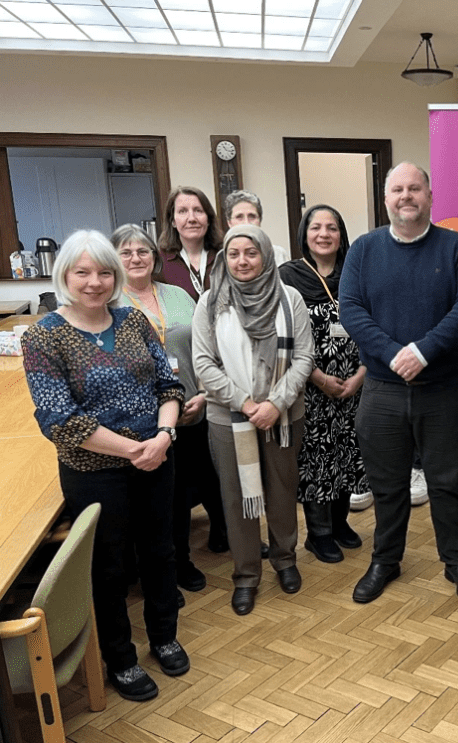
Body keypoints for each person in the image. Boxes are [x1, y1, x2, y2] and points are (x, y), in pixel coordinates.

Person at [22, 230, 188, 702]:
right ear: (65, 275)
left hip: (157, 454)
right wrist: (133, 450)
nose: (94, 282)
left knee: (160, 551)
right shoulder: (43, 336)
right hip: (95, 471)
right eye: (83, 272)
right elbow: (59, 420)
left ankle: (164, 636)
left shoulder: (132, 320)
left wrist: (163, 436)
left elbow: (168, 385)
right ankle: (121, 657)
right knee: (108, 565)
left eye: (103, 272)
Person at [339, 162, 458, 605]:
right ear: (386, 199)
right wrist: (391, 352)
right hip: (382, 391)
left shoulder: (456, 247)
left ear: (429, 195)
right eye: (398, 189)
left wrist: (422, 351)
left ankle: (456, 560)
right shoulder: (364, 250)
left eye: (415, 188)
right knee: (387, 483)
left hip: (440, 389)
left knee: (446, 482)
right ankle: (386, 559)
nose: (407, 196)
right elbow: (351, 308)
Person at [192, 225, 314, 616]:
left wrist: (275, 403)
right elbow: (203, 365)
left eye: (251, 253)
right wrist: (247, 404)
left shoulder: (289, 298)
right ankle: (246, 576)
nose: (242, 261)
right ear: (224, 259)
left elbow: (304, 359)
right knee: (236, 500)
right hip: (229, 419)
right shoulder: (210, 303)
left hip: (283, 415)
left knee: (281, 491)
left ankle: (285, 560)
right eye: (234, 254)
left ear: (265, 255)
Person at [113, 224, 228, 595]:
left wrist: (206, 393)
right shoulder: (110, 304)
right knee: (157, 501)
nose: (135, 258)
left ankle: (182, 560)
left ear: (155, 256)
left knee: (184, 492)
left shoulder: (178, 295)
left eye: (142, 251)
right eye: (126, 252)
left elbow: (205, 347)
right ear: (113, 259)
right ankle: (163, 568)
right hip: (143, 421)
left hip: (192, 406)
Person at [279, 205, 368, 563]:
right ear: (304, 234)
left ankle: (341, 523)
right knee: (316, 457)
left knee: (348, 452)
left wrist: (360, 376)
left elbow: (373, 327)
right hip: (310, 384)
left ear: (341, 234)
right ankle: (319, 534)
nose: (324, 234)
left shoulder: (356, 273)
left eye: (332, 227)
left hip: (355, 383)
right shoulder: (289, 276)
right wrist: (317, 377)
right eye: (316, 227)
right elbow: (282, 336)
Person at [159, 186, 224, 302]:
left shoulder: (226, 255)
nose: (192, 219)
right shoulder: (159, 262)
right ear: (173, 221)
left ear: (208, 219)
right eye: (182, 211)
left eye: (198, 210)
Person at [224, 189, 291, 265]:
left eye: (252, 216)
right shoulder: (222, 258)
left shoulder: (278, 255)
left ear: (260, 220)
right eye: (239, 217)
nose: (246, 223)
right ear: (229, 223)